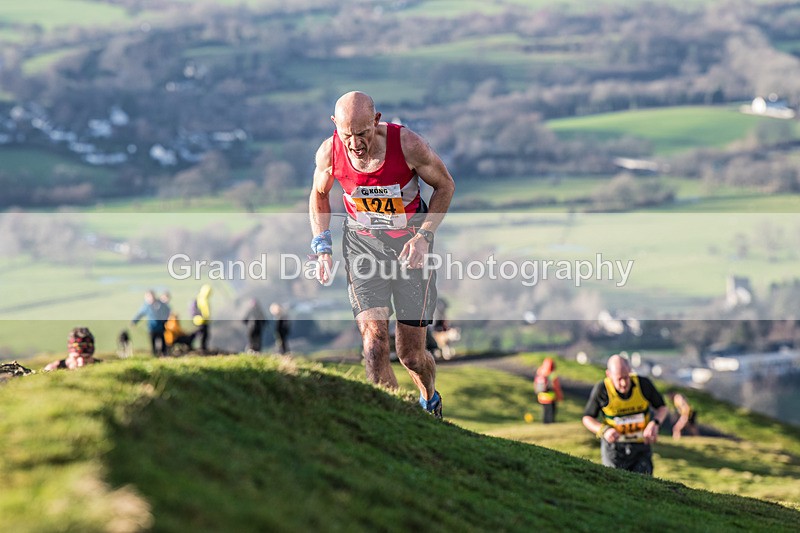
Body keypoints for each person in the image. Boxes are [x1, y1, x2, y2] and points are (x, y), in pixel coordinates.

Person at [309, 91, 455, 418]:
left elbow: (445, 185)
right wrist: (322, 246)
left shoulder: (408, 145)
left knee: (411, 356)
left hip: (411, 250)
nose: (355, 143)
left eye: (362, 133)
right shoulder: (330, 152)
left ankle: (429, 399)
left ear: (376, 121)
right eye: (347, 135)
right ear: (335, 126)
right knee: (374, 346)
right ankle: (393, 422)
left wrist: (423, 236)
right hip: (363, 247)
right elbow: (318, 195)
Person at [582, 355, 668, 475]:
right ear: (609, 375)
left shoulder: (643, 384)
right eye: (619, 379)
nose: (624, 383)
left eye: (626, 377)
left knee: (644, 485)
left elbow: (662, 407)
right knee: (615, 485)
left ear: (630, 371)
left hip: (641, 447)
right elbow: (587, 418)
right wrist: (604, 430)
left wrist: (655, 423)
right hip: (614, 449)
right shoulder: (602, 390)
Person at [131, 290, 170, 357]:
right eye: (148, 297)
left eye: (151, 296)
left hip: (161, 327)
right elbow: (140, 314)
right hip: (152, 328)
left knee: (163, 341)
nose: (150, 298)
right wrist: (134, 321)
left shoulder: (160, 304)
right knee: (153, 342)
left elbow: (167, 310)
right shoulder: (146, 306)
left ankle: (164, 354)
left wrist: (165, 320)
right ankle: (155, 355)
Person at [534, 357, 564, 424]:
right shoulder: (552, 374)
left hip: (541, 397)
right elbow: (556, 386)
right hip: (550, 397)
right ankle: (550, 424)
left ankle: (544, 423)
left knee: (545, 412)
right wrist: (559, 396)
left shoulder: (540, 372)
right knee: (550, 413)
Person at [191, 284, 212, 352]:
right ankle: (200, 347)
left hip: (204, 321)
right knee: (200, 334)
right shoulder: (200, 299)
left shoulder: (203, 299)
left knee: (204, 334)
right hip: (199, 320)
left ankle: (203, 347)